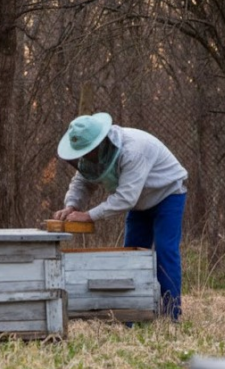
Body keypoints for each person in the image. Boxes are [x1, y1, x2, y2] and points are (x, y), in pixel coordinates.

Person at [53, 112, 188, 320]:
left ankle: (172, 315)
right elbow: (82, 181)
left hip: (167, 193)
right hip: (140, 200)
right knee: (130, 255)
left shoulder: (133, 150)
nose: (85, 157)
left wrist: (89, 215)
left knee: (165, 251)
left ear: (100, 144)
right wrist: (72, 205)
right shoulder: (94, 155)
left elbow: (126, 198)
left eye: (88, 152)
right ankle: (131, 314)